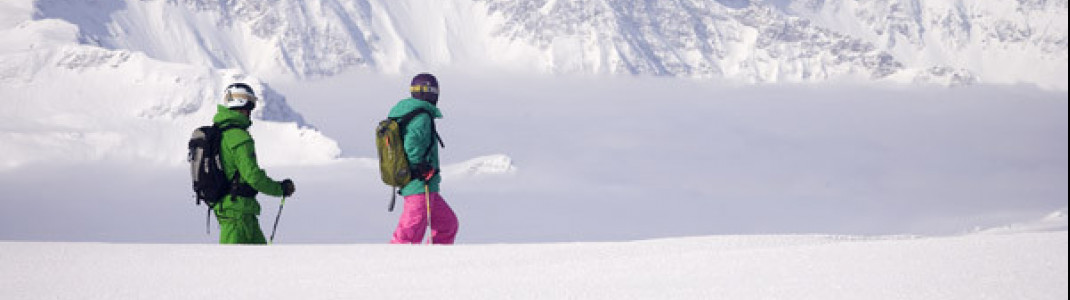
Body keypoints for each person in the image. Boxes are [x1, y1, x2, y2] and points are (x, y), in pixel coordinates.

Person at [212, 83, 296, 244]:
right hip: (237, 214)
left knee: (261, 263)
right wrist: (280, 189)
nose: (251, 109)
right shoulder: (238, 137)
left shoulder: (222, 132)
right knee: (231, 265)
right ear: (243, 103)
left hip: (239, 211)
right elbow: (253, 176)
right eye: (250, 102)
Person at [388, 73, 459, 244]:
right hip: (419, 185)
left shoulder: (410, 113)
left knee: (447, 224)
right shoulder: (421, 117)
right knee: (409, 235)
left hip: (426, 185)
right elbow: (412, 143)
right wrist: (420, 166)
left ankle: (434, 263)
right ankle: (393, 266)